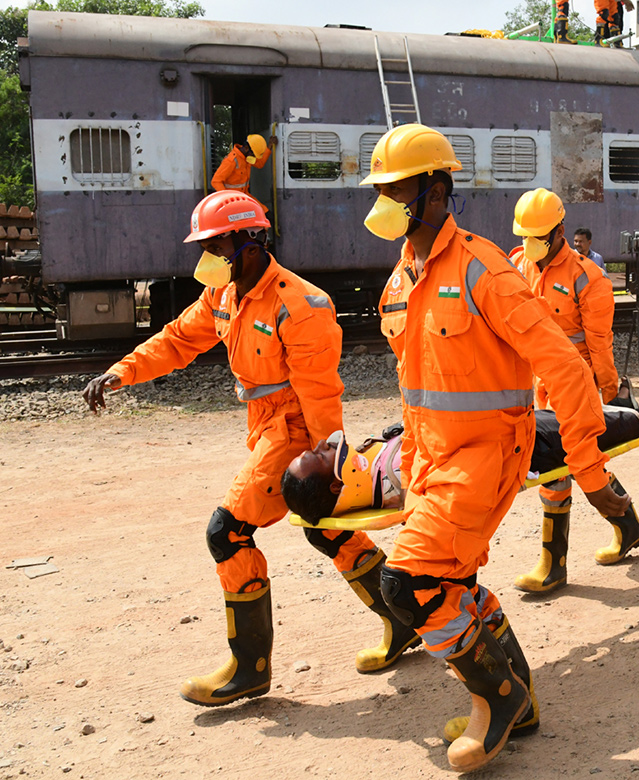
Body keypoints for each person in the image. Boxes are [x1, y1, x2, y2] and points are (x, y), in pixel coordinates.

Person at [360, 123, 630, 772]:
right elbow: (416, 387)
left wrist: (584, 452)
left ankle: (498, 697)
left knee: (407, 582)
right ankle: (522, 702)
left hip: (487, 455)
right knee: (452, 581)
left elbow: (563, 367)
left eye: (397, 188)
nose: (385, 199)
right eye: (382, 189)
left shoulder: (484, 270)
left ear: (434, 192)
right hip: (432, 460)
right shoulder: (398, 284)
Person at [80, 190, 416, 708]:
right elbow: (176, 340)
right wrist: (120, 371)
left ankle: (250, 668)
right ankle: (403, 620)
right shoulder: (226, 294)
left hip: (296, 434)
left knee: (227, 531)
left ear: (252, 242)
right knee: (326, 533)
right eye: (206, 246)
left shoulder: (301, 305)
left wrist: (332, 466)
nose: (207, 257)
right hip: (264, 428)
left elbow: (321, 394)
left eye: (217, 245)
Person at [281, 385, 639, 528]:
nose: (323, 445)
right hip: (520, 448)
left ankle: (624, 406)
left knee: (589, 415)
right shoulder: (398, 483)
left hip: (500, 428)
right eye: (319, 454)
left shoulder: (370, 471)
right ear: (337, 483)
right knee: (590, 428)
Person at [509, 189, 639, 594]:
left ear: (560, 232)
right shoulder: (518, 265)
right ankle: (629, 528)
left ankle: (553, 566)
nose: (529, 245)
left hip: (577, 382)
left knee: (561, 465)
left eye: (537, 237)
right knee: (574, 462)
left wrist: (608, 390)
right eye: (524, 237)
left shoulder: (588, 277)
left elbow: (600, 342)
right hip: (538, 382)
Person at [211, 134, 276, 196]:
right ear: (246, 148)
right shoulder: (231, 161)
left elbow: (260, 163)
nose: (254, 157)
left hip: (244, 196)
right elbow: (216, 181)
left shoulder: (247, 157)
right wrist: (227, 198)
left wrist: (270, 146)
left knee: (262, 208)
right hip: (233, 198)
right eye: (253, 155)